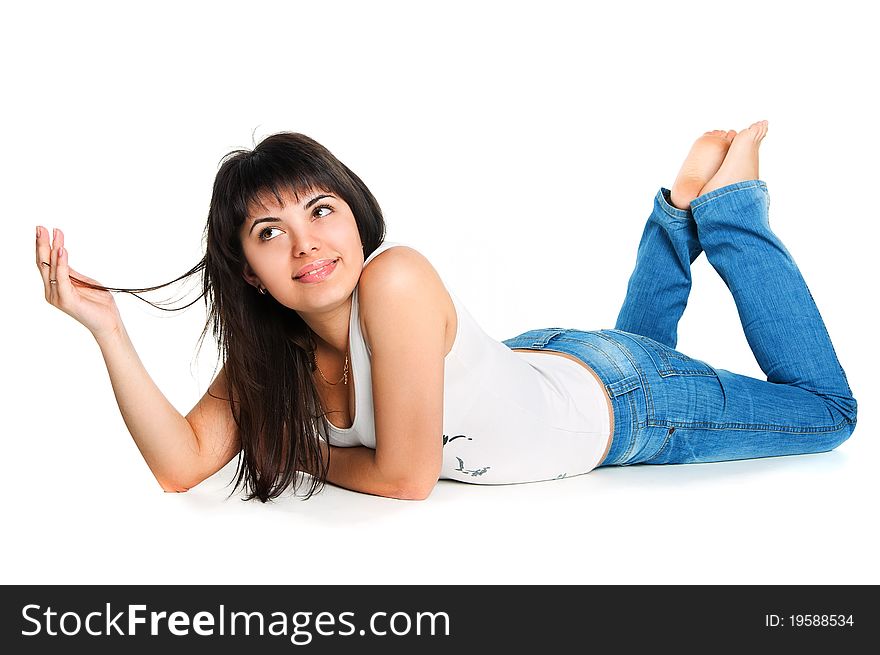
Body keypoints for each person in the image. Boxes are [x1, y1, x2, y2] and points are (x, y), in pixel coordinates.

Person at [35, 121, 858, 503]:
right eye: (269, 231)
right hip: (543, 370)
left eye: (321, 210)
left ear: (354, 213)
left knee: (829, 414)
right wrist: (107, 329)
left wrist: (300, 450)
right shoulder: (271, 358)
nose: (306, 245)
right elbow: (180, 464)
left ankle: (729, 208)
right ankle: (674, 212)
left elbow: (405, 477)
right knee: (630, 348)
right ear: (248, 272)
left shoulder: (392, 280)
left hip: (630, 411)